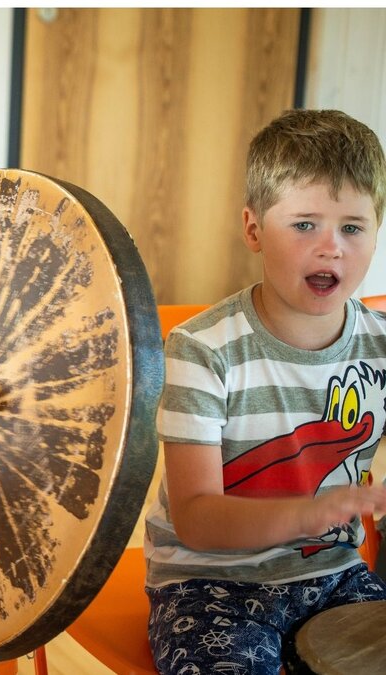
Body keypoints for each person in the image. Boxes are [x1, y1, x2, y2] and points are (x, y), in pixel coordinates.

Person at [145, 109, 386, 674]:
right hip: (209, 585)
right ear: (254, 229)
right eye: (305, 224)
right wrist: (313, 512)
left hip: (334, 575)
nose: (332, 249)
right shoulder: (201, 349)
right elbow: (198, 520)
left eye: (353, 227)